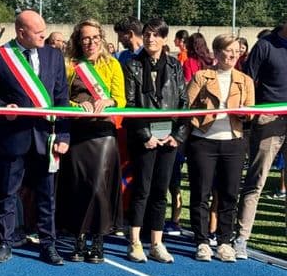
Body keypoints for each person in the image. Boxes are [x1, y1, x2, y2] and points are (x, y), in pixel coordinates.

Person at [0, 10, 70, 265]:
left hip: (46, 136)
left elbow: (62, 98)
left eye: (44, 30)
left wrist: (64, 134)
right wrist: (3, 106)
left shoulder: (54, 55)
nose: (44, 35)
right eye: (38, 32)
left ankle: (48, 245)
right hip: (13, 136)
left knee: (47, 195)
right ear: (21, 33)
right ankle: (5, 242)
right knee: (7, 193)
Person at [57, 19, 125, 264]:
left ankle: (98, 238)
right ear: (78, 40)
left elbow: (121, 99)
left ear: (102, 39)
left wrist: (109, 102)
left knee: (99, 186)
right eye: (85, 38)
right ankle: (78, 237)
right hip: (78, 131)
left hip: (103, 133)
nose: (91, 42)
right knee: (78, 186)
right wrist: (78, 106)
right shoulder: (69, 66)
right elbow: (61, 98)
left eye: (95, 38)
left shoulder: (113, 65)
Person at [123, 17, 188, 263]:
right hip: (144, 138)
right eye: (148, 34)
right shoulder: (132, 65)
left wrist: (177, 136)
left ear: (164, 39)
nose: (151, 39)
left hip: (169, 138)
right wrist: (145, 135)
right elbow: (129, 105)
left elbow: (184, 103)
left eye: (156, 35)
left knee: (161, 191)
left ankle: (157, 243)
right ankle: (135, 242)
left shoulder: (174, 66)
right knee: (142, 189)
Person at [185, 35, 254, 263]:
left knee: (229, 194)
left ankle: (225, 242)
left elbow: (251, 113)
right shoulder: (202, 76)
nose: (233, 55)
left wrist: (245, 114)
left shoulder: (245, 80)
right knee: (201, 193)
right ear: (217, 52)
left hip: (233, 141)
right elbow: (188, 108)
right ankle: (202, 241)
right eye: (228, 50)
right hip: (203, 141)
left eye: (237, 50)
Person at [236, 21, 287, 259]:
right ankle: (241, 238)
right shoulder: (265, 45)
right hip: (269, 118)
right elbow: (247, 80)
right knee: (257, 180)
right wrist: (252, 111)